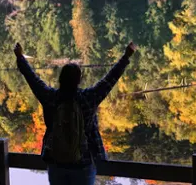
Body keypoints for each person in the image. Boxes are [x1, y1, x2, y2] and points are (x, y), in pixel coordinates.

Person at [14, 42, 137, 185]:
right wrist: (126, 56)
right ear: (79, 80)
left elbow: (32, 78)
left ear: (60, 79)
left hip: (56, 162)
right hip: (83, 163)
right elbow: (110, 79)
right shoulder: (88, 98)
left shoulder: (50, 97)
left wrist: (20, 57)